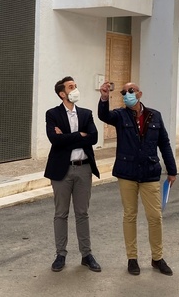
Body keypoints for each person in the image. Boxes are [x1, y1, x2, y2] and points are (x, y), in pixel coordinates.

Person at [97, 81, 177, 276]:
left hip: (150, 171)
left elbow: (164, 143)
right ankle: (132, 258)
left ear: (139, 94)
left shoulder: (154, 115)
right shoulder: (120, 115)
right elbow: (103, 115)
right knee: (130, 215)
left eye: (130, 91)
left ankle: (157, 258)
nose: (126, 94)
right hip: (127, 172)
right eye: (124, 92)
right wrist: (104, 98)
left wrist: (172, 170)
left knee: (155, 216)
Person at [44, 76, 101, 273]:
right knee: (61, 213)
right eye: (71, 87)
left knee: (82, 213)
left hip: (84, 168)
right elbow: (54, 140)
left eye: (75, 85)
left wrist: (67, 137)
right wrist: (79, 136)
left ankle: (86, 254)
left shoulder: (86, 114)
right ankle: (60, 254)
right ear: (62, 93)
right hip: (61, 169)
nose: (75, 89)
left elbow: (93, 138)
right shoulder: (52, 114)